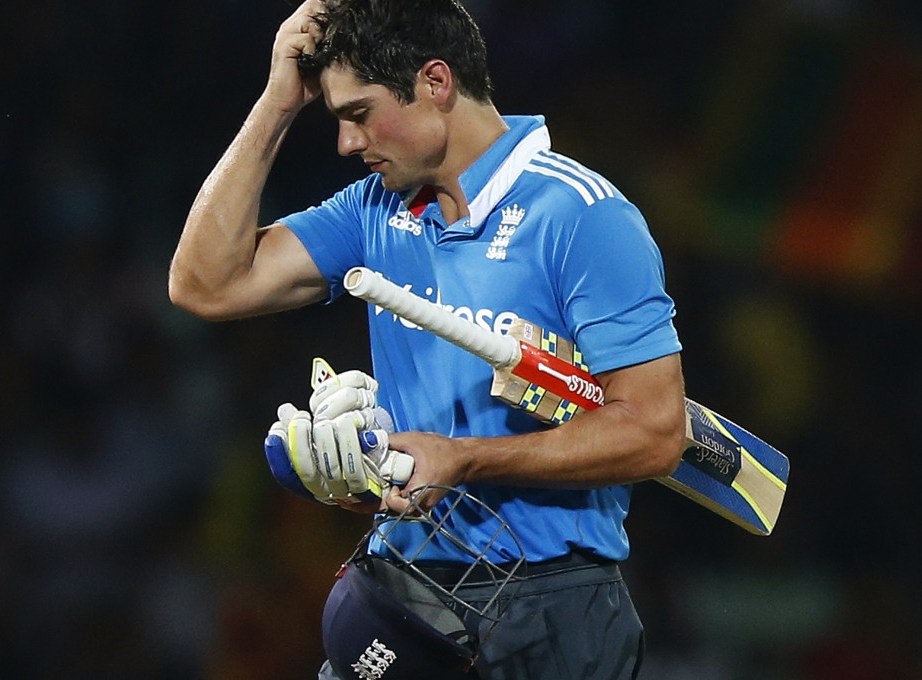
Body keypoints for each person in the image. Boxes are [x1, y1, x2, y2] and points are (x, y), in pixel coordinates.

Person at [169, 0, 688, 677]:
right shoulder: (373, 210)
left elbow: (655, 432)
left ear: (436, 83)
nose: (347, 145)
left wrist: (462, 458)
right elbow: (204, 284)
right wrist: (276, 104)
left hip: (553, 605)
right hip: (403, 587)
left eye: (358, 114)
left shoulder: (582, 216)